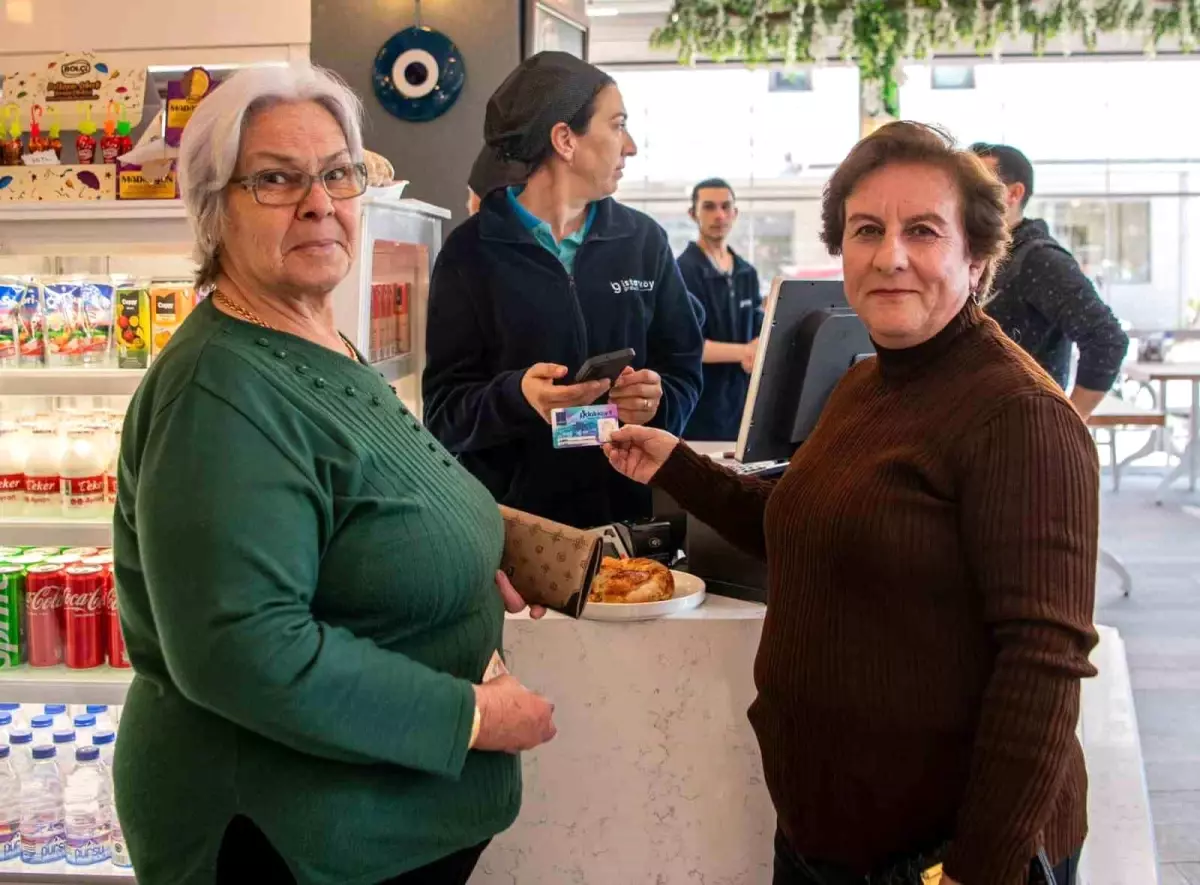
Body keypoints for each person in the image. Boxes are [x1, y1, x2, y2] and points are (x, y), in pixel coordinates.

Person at [604, 122, 1098, 885]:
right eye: (868, 229)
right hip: (824, 842)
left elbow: (1043, 664)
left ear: (977, 254)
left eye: (924, 230)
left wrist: (976, 870)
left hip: (942, 859)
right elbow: (805, 521)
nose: (890, 255)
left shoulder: (1019, 414)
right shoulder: (868, 380)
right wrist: (680, 464)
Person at [112, 62, 556, 885]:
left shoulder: (318, 339)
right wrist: (467, 715)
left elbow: (357, 512)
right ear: (215, 211)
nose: (319, 202)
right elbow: (242, 647)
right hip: (282, 837)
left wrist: (458, 558)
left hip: (376, 824)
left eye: (337, 173)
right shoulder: (221, 388)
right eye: (277, 179)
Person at [423, 52, 703, 528]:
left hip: (631, 522)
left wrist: (658, 403)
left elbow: (683, 370)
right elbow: (444, 414)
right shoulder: (471, 252)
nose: (630, 146)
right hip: (516, 537)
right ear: (565, 139)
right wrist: (519, 397)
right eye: (617, 125)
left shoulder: (644, 242)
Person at [970, 142, 1129, 418]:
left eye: (980, 188)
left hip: (1024, 435)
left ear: (1014, 194)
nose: (967, 198)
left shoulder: (1038, 258)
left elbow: (1107, 339)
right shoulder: (981, 256)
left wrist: (1070, 421)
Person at [677, 178, 763, 441]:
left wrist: (760, 344)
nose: (719, 215)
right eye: (709, 207)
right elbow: (690, 345)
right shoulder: (681, 272)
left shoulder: (746, 272)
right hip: (700, 409)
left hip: (741, 406)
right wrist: (747, 351)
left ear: (735, 213)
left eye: (726, 207)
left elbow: (758, 328)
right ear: (693, 214)